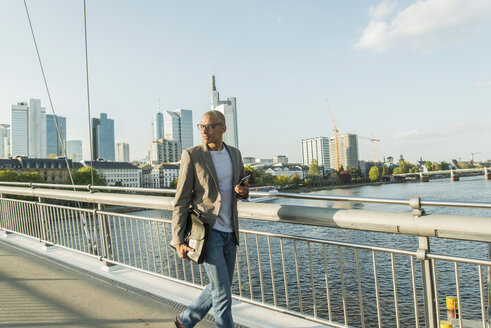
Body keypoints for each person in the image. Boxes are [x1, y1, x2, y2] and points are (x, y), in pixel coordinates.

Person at [171, 110, 249, 328]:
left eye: (210, 126)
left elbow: (240, 189)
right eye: (202, 126)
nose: (204, 131)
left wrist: (243, 191)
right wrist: (178, 240)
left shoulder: (235, 154)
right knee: (223, 292)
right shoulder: (192, 155)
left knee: (219, 286)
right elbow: (181, 200)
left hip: (230, 231)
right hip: (206, 231)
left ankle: (185, 320)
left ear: (223, 129)